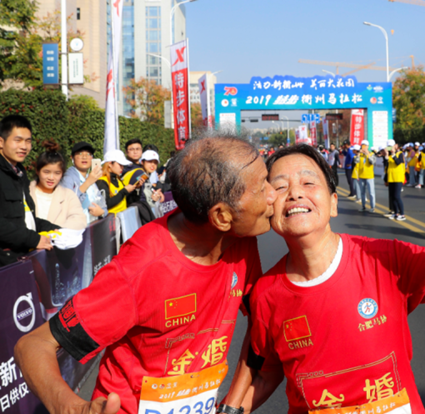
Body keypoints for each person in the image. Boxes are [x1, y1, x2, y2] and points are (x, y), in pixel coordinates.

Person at [223, 144, 425, 414]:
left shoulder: (389, 258)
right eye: (281, 186)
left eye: (309, 183)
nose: (295, 193)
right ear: (270, 209)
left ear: (334, 203)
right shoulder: (265, 294)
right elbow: (264, 374)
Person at [15, 133, 277, 414]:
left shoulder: (241, 240)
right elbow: (32, 345)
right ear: (222, 217)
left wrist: (232, 406)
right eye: (262, 187)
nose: (274, 193)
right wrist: (71, 408)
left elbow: (259, 325)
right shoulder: (140, 270)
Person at [0, 115, 59, 267]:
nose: (24, 146)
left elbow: (25, 217)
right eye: (18, 140)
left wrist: (55, 229)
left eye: (28, 141)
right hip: (5, 264)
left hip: (22, 258)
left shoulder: (19, 172)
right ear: (1, 142)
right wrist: (33, 239)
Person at [29, 141, 87, 230]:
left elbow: (79, 219)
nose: (51, 178)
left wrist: (57, 232)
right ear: (37, 171)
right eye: (46, 172)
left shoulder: (68, 196)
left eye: (57, 173)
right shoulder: (25, 191)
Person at [61, 141, 108, 224]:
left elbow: (103, 207)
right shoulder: (68, 178)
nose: (84, 157)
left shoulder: (90, 178)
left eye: (88, 154)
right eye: (80, 153)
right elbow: (67, 205)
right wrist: (87, 183)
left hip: (91, 229)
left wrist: (102, 213)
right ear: (72, 157)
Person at [96, 149, 140, 215]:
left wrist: (135, 188)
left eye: (123, 165)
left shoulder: (118, 179)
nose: (122, 168)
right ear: (110, 164)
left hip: (123, 220)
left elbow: (124, 200)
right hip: (111, 222)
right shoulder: (102, 181)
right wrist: (124, 191)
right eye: (120, 164)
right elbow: (105, 204)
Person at [383, 140, 406, 221]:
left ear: (395, 146)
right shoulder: (389, 155)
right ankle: (396, 213)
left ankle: (402, 214)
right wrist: (386, 156)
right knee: (392, 197)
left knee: (397, 196)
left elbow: (398, 162)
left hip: (398, 178)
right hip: (391, 179)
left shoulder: (400, 154)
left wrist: (393, 154)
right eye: (388, 146)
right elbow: (386, 166)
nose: (390, 148)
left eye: (391, 146)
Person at [358, 139, 376, 212]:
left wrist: (367, 154)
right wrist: (359, 154)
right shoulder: (360, 155)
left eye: (365, 145)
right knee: (362, 192)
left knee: (371, 192)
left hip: (369, 176)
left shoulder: (372, 154)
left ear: (368, 146)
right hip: (361, 176)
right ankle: (363, 206)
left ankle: (372, 207)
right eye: (362, 145)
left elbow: (372, 162)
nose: (363, 147)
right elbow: (355, 162)